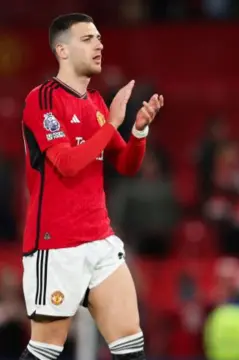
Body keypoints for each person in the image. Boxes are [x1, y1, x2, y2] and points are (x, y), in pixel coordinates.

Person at [19, 13, 164, 360]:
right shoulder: (42, 100)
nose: (99, 44)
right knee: (44, 352)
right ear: (62, 50)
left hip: (99, 240)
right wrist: (112, 122)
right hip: (55, 245)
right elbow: (67, 164)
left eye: (99, 37)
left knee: (131, 345)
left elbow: (127, 164)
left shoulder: (96, 104)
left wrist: (139, 129)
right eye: (87, 39)